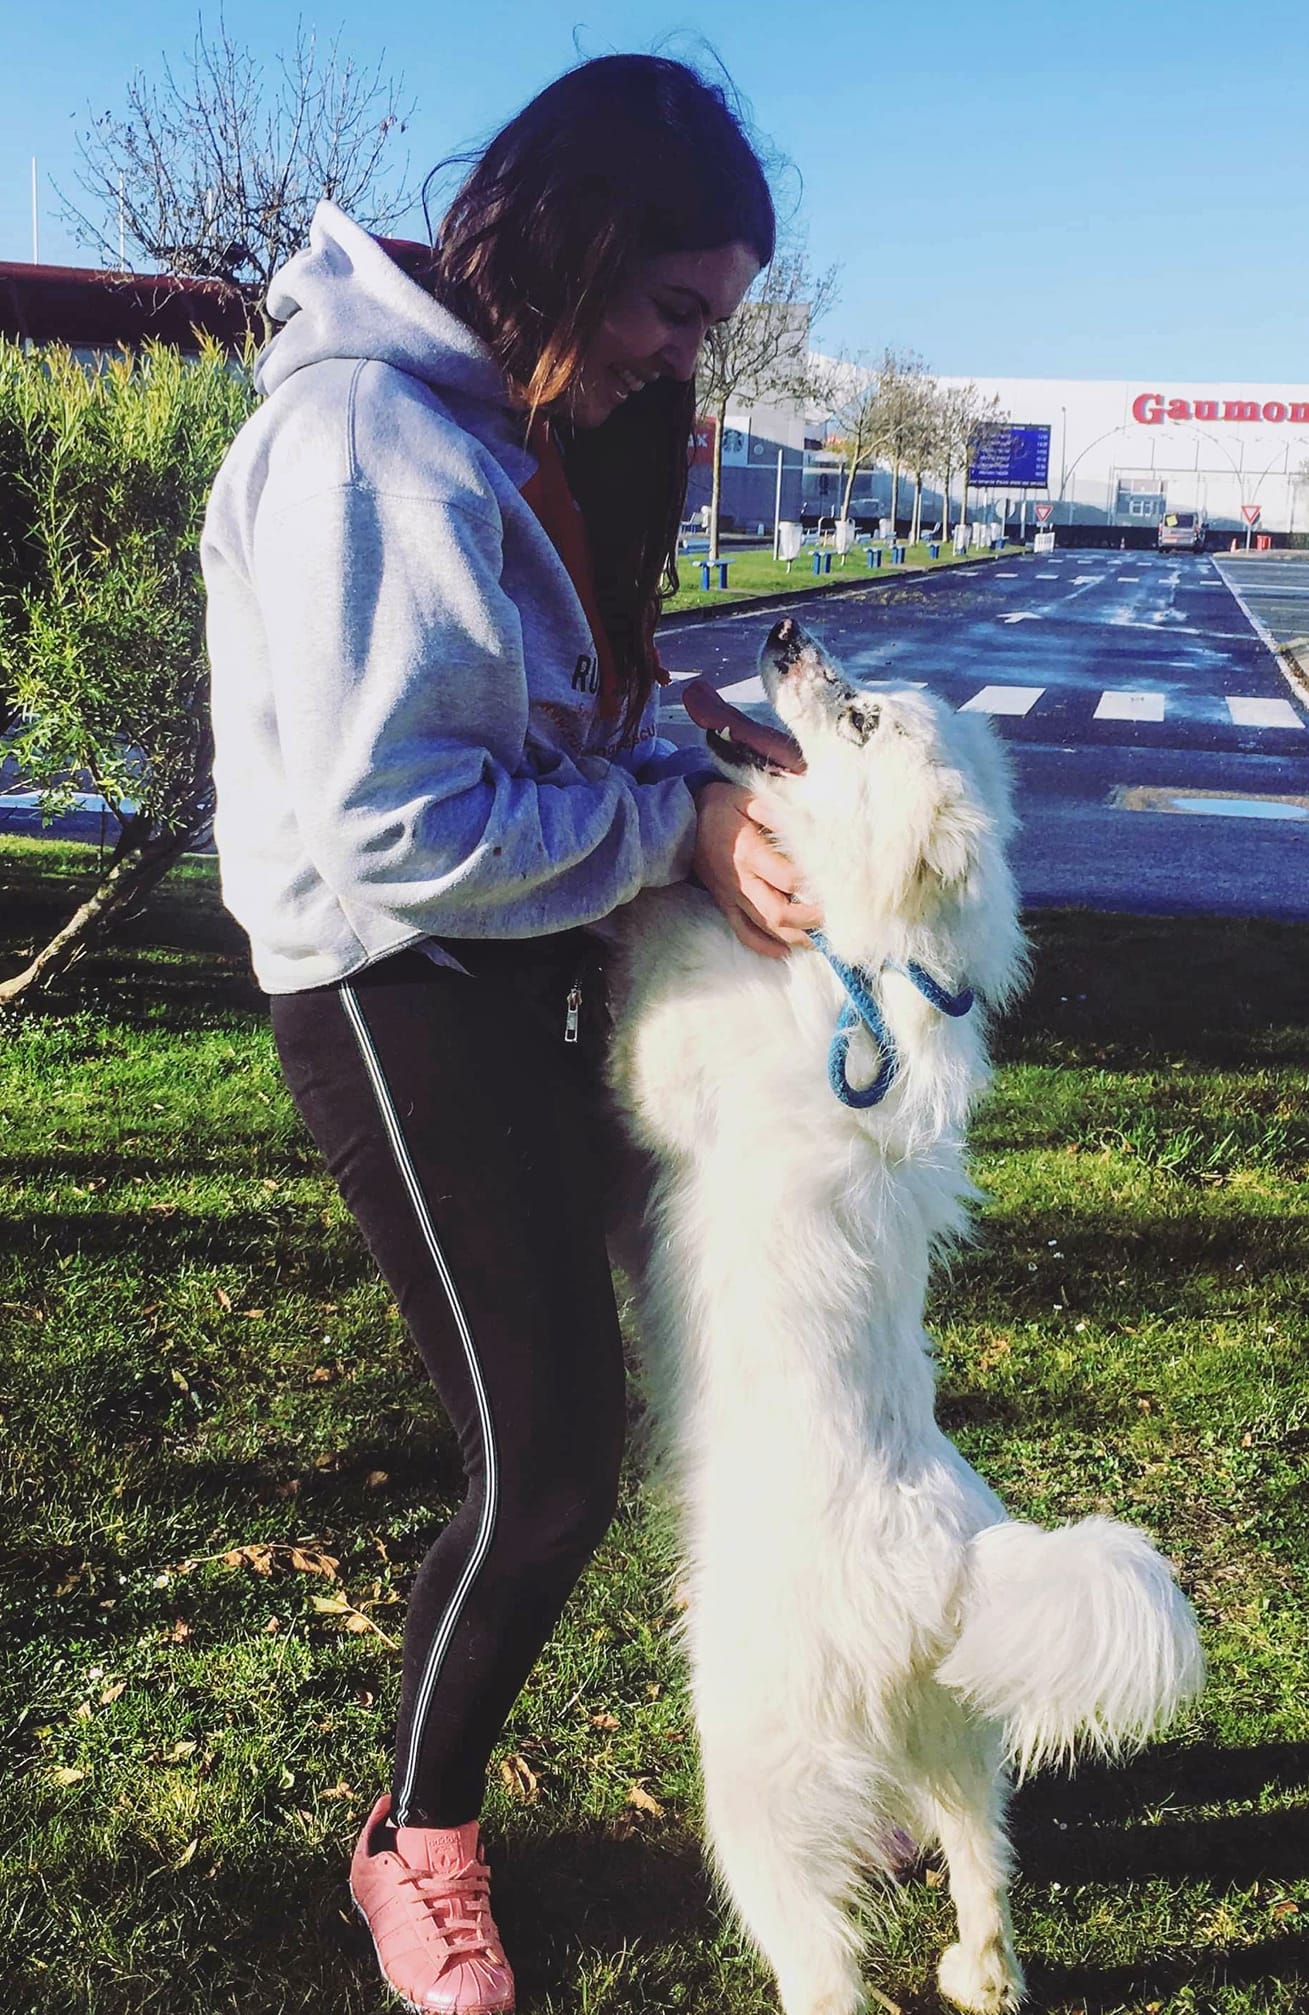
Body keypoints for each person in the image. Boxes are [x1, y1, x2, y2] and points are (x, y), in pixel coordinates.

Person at [201, 53, 820, 2015]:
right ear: (576, 238)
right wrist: (678, 829)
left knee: (747, 1338)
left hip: (515, 950)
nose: (677, 355)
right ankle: (416, 1843)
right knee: (547, 1458)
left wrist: (681, 747)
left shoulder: (502, 419)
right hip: (393, 985)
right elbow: (398, 829)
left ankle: (806, 1750)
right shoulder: (367, 445)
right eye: (674, 308)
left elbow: (546, 713)